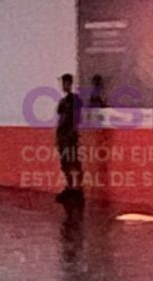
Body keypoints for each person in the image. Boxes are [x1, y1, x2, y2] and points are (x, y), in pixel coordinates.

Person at [56, 73, 84, 201]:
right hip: (62, 135)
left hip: (70, 136)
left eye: (66, 83)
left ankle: (77, 189)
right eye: (63, 83)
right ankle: (69, 188)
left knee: (73, 163)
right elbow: (61, 119)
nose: (64, 86)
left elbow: (76, 118)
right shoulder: (63, 101)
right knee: (65, 163)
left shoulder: (75, 100)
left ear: (70, 84)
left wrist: (71, 133)